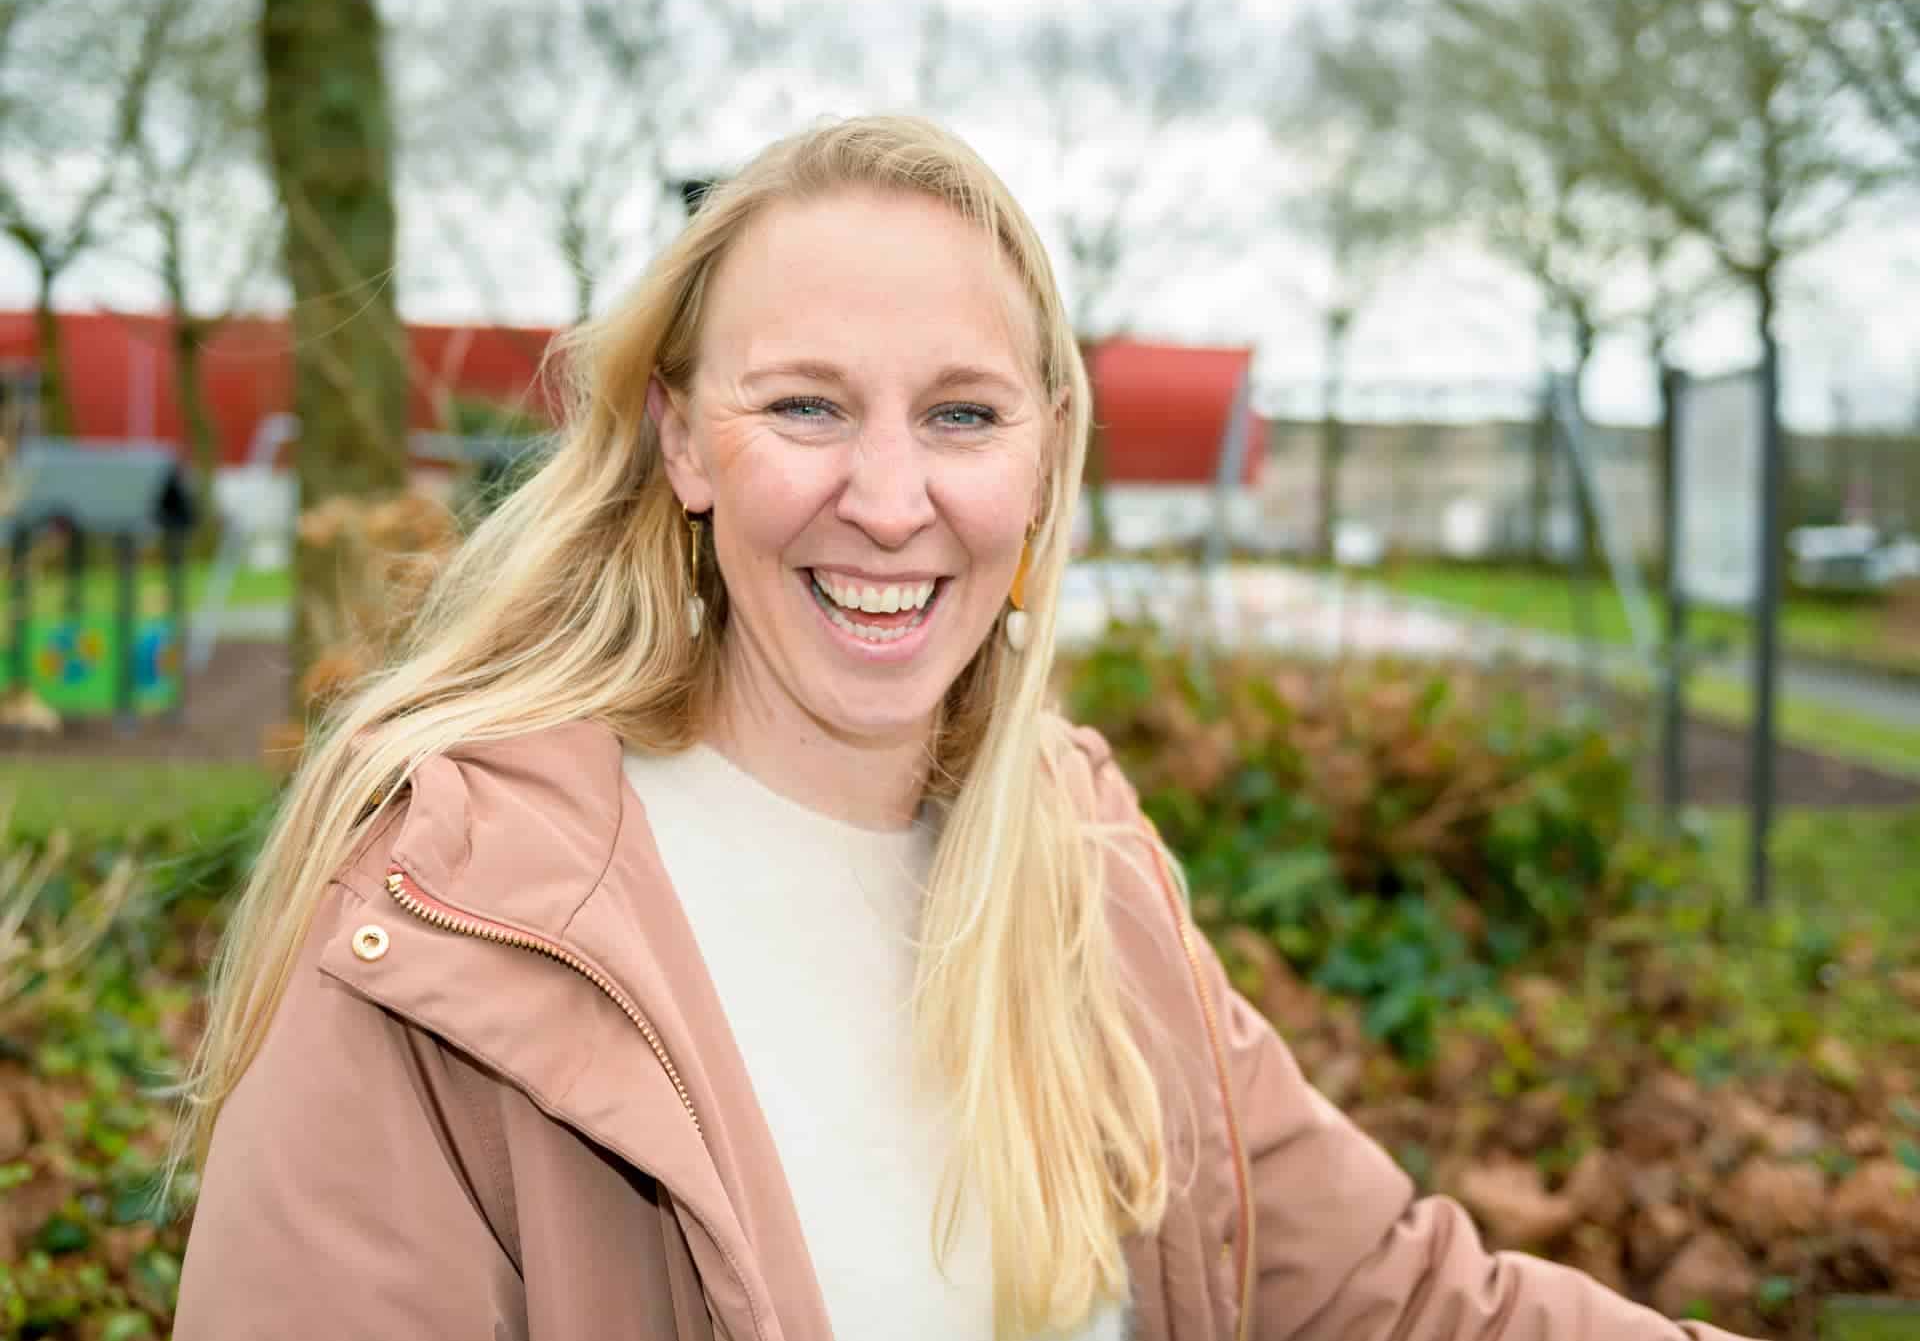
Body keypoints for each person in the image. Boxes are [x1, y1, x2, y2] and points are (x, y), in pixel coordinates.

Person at [173, 117, 1756, 1341]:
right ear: (681, 441)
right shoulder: (455, 923)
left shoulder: (1080, 865)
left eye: (960, 413)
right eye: (805, 404)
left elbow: (1395, 1302)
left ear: (1047, 455)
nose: (887, 497)